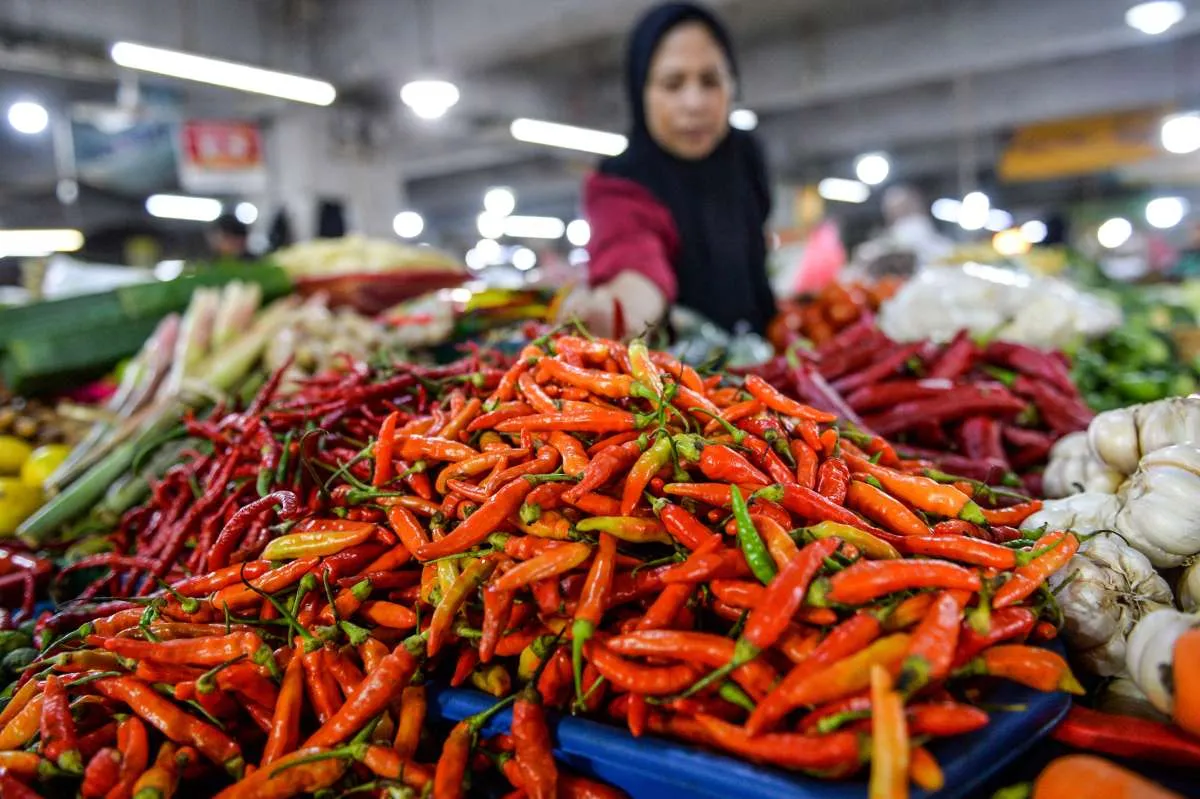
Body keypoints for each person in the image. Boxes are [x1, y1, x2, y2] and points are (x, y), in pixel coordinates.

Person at [562, 2, 775, 338]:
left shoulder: (746, 155)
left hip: (761, 358)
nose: (695, 103)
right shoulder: (619, 182)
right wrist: (621, 311)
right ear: (640, 91)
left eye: (710, 80)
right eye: (673, 83)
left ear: (732, 84)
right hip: (679, 377)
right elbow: (633, 260)